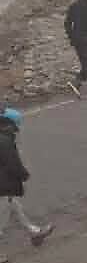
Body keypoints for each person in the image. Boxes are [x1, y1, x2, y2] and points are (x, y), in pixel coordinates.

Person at [1, 106, 52, 254]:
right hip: (2, 186)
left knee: (14, 207)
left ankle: (34, 232)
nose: (16, 129)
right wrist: (23, 175)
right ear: (9, 124)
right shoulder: (4, 141)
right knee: (2, 216)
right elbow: (12, 163)